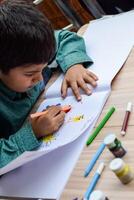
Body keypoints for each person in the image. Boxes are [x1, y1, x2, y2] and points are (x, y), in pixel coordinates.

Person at [0, 0, 98, 168]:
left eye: (43, 68)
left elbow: (64, 37)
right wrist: (32, 133)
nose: (39, 79)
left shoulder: (26, 45)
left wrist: (73, 64)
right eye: (30, 74)